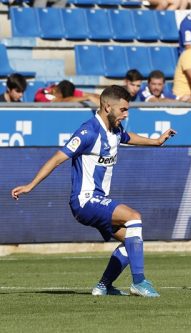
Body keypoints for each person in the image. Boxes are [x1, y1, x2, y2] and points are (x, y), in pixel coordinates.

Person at [11, 85, 176, 297]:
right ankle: (139, 281)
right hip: (85, 201)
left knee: (131, 242)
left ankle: (103, 286)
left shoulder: (114, 130)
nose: (126, 115)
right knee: (134, 217)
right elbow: (57, 158)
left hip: (99, 200)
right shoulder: (88, 132)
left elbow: (127, 137)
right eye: (123, 110)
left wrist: (155, 142)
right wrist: (30, 185)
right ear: (108, 106)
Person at [34, 80, 100, 104]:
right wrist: (88, 98)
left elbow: (92, 95)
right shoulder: (42, 94)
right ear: (56, 90)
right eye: (64, 97)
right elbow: (61, 101)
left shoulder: (66, 91)